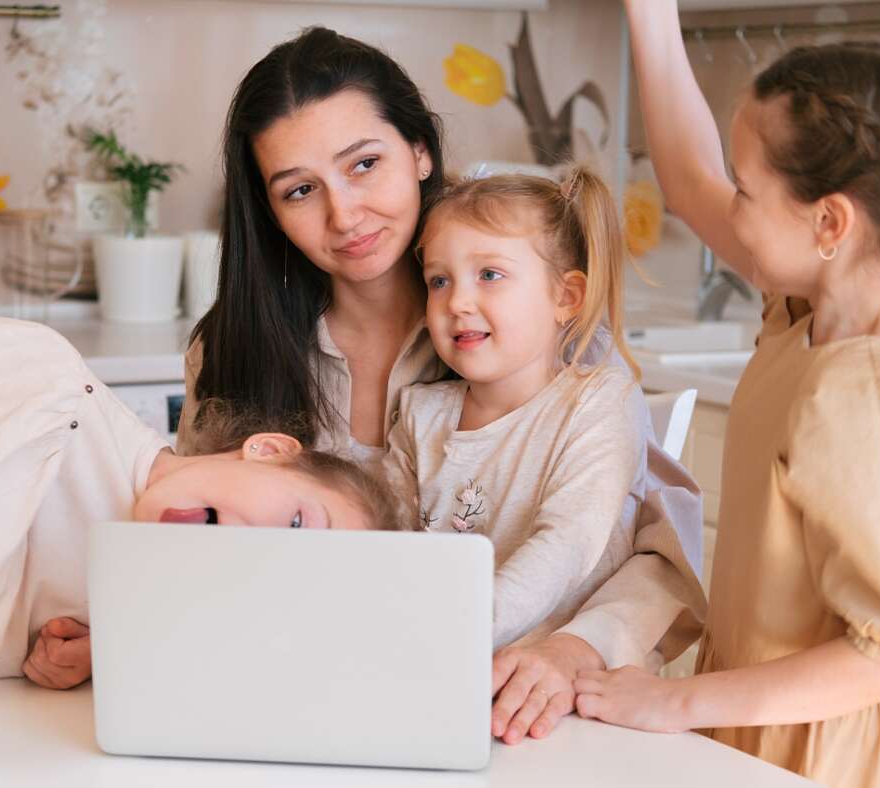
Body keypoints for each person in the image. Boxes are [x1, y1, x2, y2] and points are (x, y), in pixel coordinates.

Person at [572, 3, 880, 785]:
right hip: (778, 718)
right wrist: (652, 14)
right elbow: (690, 178)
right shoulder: (814, 301)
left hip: (847, 755)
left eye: (747, 190)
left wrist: (673, 704)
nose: (727, 206)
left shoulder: (869, 395)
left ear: (829, 222)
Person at [178, 26, 706, 744]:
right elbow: (189, 547)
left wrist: (575, 648)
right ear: (269, 211)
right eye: (301, 190)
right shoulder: (233, 347)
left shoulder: (551, 342)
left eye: (364, 164)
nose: (344, 215)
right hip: (307, 705)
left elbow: (661, 555)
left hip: (534, 718)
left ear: (420, 152)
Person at [0, 317, 397, 732]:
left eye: (271, 573)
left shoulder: (157, 601)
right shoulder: (55, 395)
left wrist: (87, 659)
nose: (249, 546)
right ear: (269, 450)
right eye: (293, 524)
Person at [383, 167, 704, 657]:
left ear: (566, 297)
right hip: (435, 663)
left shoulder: (599, 400)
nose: (458, 302)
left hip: (555, 685)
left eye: (489, 274)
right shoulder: (421, 414)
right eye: (439, 280)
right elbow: (386, 538)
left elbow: (568, 544)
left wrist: (465, 628)